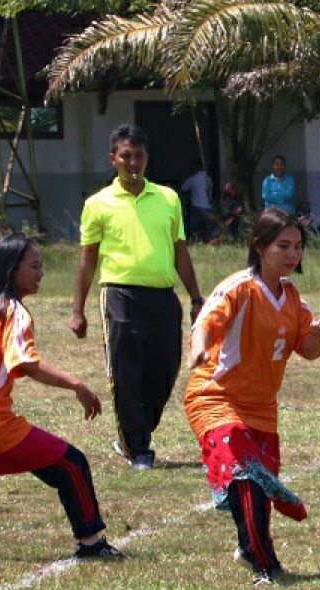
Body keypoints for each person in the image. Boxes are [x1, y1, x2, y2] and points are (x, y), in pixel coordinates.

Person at [184, 209, 320, 585]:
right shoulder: (239, 287)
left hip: (261, 407)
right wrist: (198, 349)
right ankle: (267, 565)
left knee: (256, 485)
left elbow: (309, 349)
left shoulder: (293, 298)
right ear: (259, 246)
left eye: (298, 246)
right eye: (283, 245)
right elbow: (205, 322)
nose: (292, 254)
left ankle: (247, 547)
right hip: (215, 395)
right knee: (246, 473)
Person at [0, 234, 119, 559]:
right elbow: (24, 363)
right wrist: (76, 384)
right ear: (12, 269)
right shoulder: (11, 310)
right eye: (35, 266)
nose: (41, 273)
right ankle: (91, 544)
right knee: (71, 464)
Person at [75, 123, 204, 470]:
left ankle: (134, 433)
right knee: (127, 373)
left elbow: (180, 251)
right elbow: (87, 261)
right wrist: (78, 309)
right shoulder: (98, 204)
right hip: (119, 296)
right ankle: (138, 447)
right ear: (113, 158)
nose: (133, 162)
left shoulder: (168, 198)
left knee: (165, 370)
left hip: (163, 297)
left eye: (139, 155)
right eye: (125, 156)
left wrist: (195, 296)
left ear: (148, 158)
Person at [179, 159, 215, 242]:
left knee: (190, 226)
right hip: (208, 207)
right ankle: (210, 240)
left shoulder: (193, 179)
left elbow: (183, 188)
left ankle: (189, 239)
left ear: (195, 167)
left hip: (196, 207)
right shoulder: (208, 179)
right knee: (208, 227)